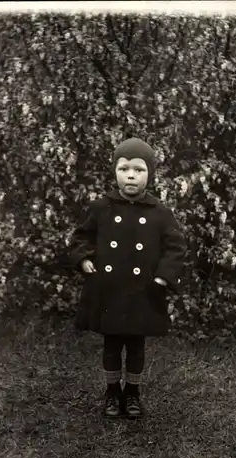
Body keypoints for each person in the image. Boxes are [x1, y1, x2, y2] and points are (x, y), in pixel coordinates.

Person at [69, 137, 186, 419]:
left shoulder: (159, 212)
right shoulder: (102, 207)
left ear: (150, 174)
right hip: (109, 289)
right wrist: (84, 259)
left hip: (142, 291)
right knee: (111, 345)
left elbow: (176, 247)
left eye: (139, 169)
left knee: (136, 345)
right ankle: (112, 392)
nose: (131, 175)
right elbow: (81, 237)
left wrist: (162, 278)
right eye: (124, 169)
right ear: (115, 172)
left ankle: (132, 393)